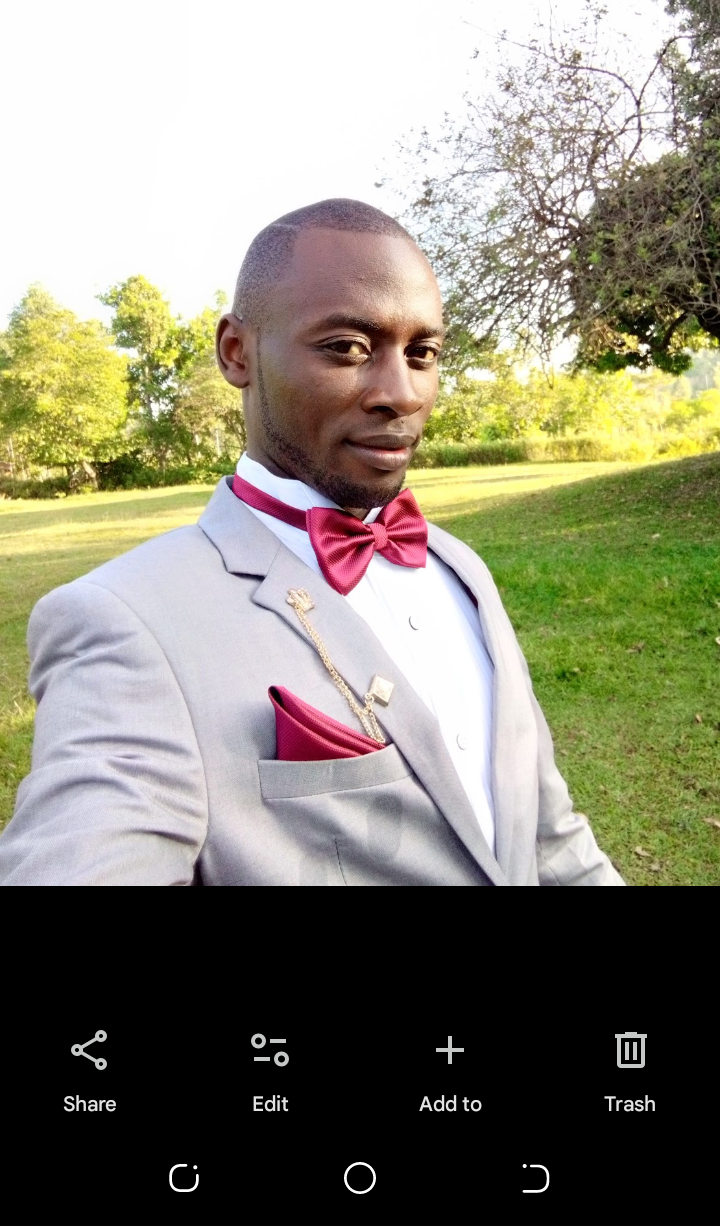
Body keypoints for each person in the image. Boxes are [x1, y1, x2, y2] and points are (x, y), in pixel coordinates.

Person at [0, 198, 625, 886]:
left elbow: (549, 837)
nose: (401, 394)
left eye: (422, 354)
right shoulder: (128, 622)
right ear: (236, 352)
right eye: (347, 348)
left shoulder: (460, 568)